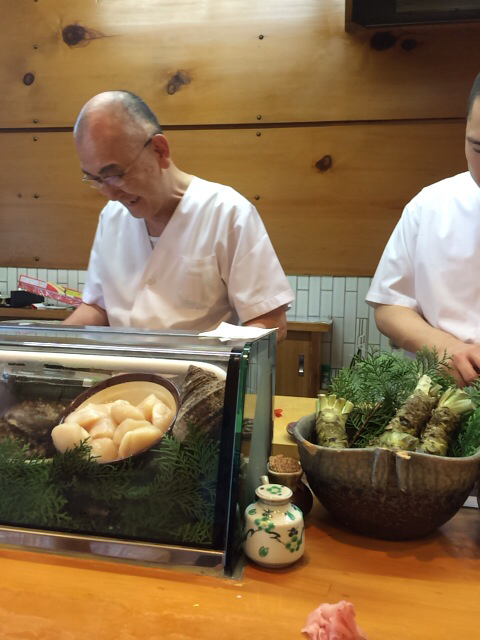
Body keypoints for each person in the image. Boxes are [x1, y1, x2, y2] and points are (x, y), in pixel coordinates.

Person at [64, 91, 294, 341]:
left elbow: (271, 321)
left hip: (199, 366)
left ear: (159, 151)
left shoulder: (227, 212)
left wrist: (217, 352)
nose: (109, 193)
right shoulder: (112, 216)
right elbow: (98, 308)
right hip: (122, 367)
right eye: (95, 179)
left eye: (116, 175)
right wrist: (43, 345)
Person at [366, 72, 480, 387]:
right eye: (479, 149)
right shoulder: (431, 204)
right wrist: (446, 348)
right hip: (436, 394)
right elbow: (390, 305)